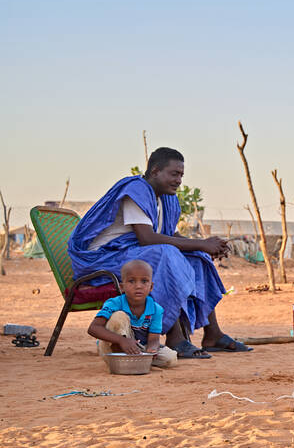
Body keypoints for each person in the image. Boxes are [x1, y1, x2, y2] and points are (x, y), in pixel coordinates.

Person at [68, 147, 252, 359]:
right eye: (174, 174)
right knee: (164, 255)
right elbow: (147, 238)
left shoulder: (164, 198)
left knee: (196, 258)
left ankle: (213, 334)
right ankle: (175, 337)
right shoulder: (136, 191)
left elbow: (170, 235)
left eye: (181, 175)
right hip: (102, 259)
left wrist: (205, 245)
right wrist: (202, 243)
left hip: (131, 254)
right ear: (155, 171)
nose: (179, 180)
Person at [88, 259, 177, 368]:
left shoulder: (156, 309)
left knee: (170, 359)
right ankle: (118, 357)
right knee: (118, 316)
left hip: (137, 347)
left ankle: (135, 359)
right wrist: (122, 340)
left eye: (144, 281)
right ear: (122, 287)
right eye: (131, 281)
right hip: (112, 345)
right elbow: (93, 328)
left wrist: (151, 350)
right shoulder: (114, 303)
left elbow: (154, 339)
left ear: (151, 287)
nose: (138, 286)